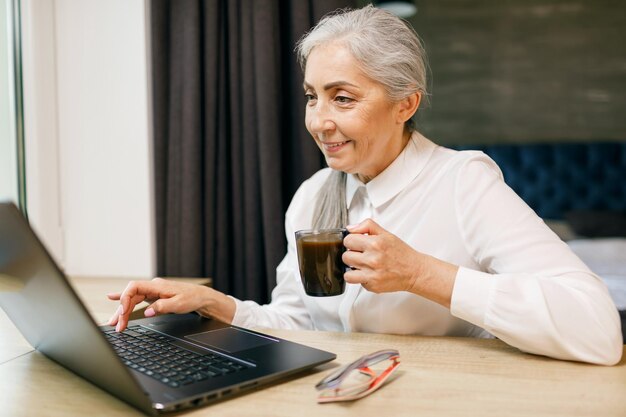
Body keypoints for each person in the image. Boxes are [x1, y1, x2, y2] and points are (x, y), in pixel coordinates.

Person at [108, 5, 623, 365]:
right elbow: (297, 322)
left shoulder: (463, 183)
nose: (319, 121)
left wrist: (420, 272)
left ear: (406, 104)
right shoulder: (314, 195)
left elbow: (600, 332)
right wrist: (216, 304)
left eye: (343, 98)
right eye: (313, 96)